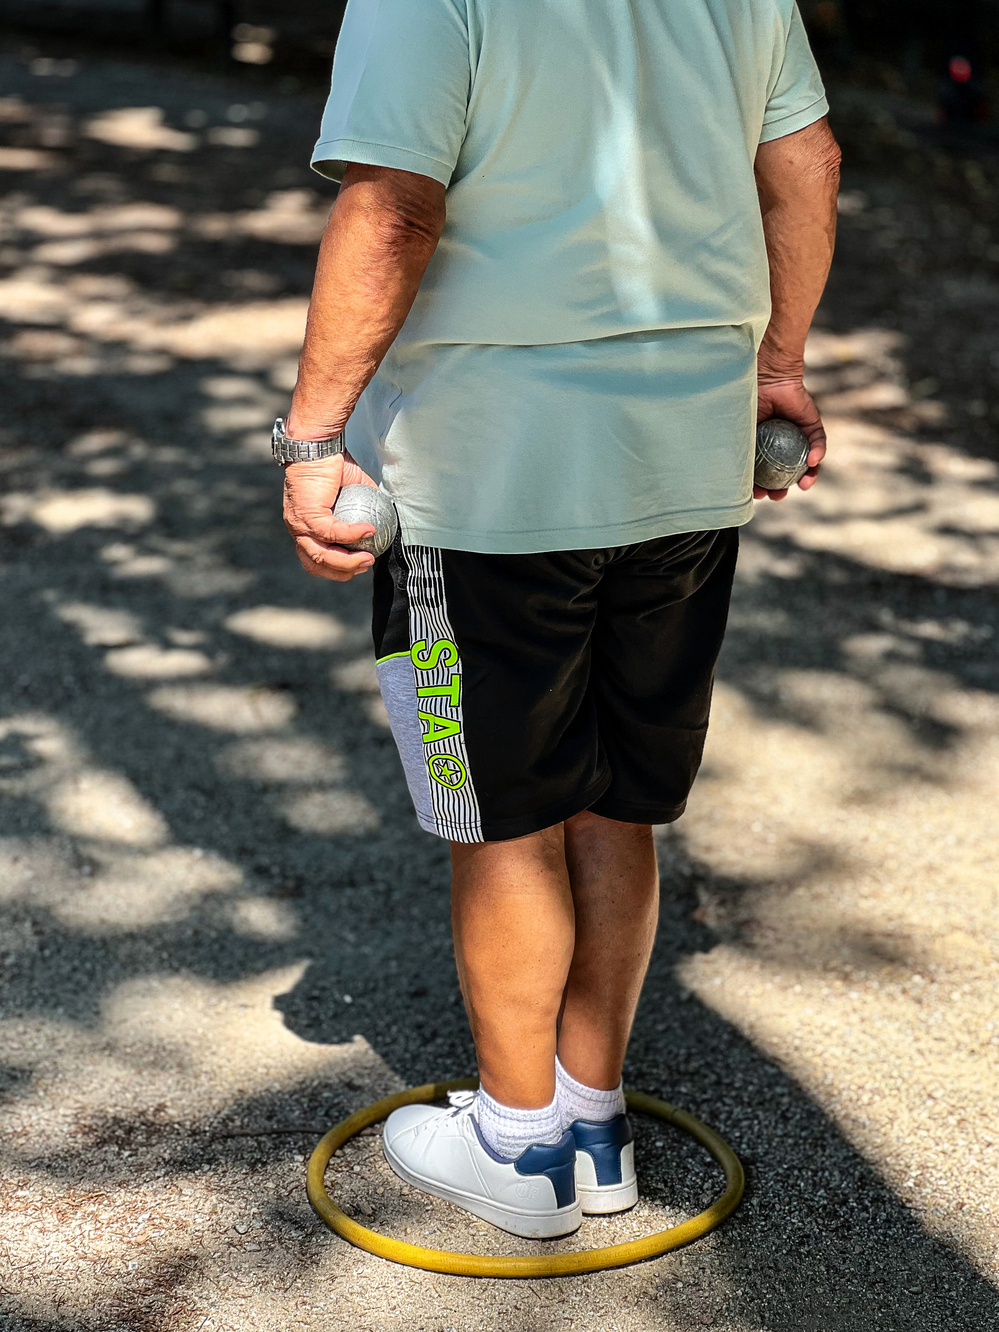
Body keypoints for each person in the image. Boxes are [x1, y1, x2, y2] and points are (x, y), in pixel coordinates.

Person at [276, 0, 840, 1239]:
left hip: (487, 471)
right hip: (685, 450)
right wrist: (778, 361)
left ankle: (519, 1148)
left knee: (504, 811)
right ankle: (592, 1122)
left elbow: (392, 208)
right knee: (614, 794)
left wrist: (314, 436)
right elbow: (805, 158)